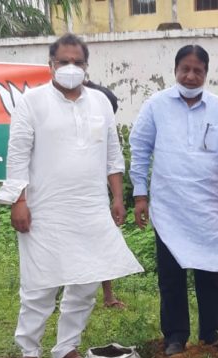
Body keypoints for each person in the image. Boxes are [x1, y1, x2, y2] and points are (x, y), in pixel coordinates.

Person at [0, 33, 144, 358]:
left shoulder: (100, 103)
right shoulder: (31, 102)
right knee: (39, 285)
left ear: (86, 67)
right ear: (50, 64)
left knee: (86, 281)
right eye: (63, 61)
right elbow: (17, 155)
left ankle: (65, 348)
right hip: (44, 210)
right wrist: (18, 201)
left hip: (91, 208)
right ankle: (29, 353)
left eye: (77, 62)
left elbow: (112, 155)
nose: (70, 68)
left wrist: (118, 198)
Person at [129, 44, 218, 357]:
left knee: (211, 271)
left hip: (208, 204)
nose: (191, 76)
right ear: (176, 70)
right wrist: (140, 195)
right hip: (169, 206)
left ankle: (210, 333)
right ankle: (175, 336)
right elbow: (139, 148)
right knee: (171, 275)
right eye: (185, 70)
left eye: (198, 71)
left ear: (206, 73)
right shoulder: (156, 105)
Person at [83, 78, 124, 309]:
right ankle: (55, 297)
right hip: (65, 199)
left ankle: (108, 296)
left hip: (96, 197)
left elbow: (112, 163)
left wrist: (116, 197)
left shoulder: (103, 128)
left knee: (102, 243)